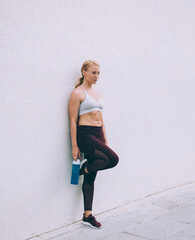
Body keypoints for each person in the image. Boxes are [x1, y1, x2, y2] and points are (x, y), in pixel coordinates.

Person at [68, 60, 119, 229]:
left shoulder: (98, 94)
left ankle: (87, 214)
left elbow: (101, 119)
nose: (97, 76)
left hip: (98, 134)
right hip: (86, 135)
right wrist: (75, 146)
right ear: (84, 72)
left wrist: (105, 139)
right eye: (93, 73)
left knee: (92, 177)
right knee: (113, 159)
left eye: (98, 73)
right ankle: (84, 168)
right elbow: (73, 120)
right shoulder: (78, 93)